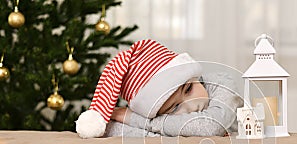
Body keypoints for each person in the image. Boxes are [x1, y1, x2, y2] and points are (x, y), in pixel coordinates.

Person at [75, 39, 242, 138]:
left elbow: (210, 126)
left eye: (189, 89)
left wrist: (135, 120)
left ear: (193, 77)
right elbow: (112, 130)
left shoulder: (222, 83)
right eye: (175, 107)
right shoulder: (160, 120)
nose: (193, 105)